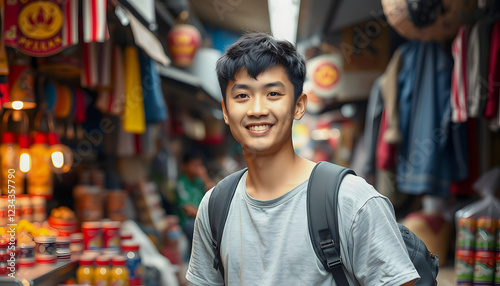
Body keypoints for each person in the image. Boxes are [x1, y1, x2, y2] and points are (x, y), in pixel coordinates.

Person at [186, 33, 420, 285]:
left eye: (273, 94)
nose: (257, 110)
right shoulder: (214, 206)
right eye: (242, 96)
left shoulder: (351, 201)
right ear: (225, 111)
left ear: (299, 105)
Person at [176, 151, 215, 259]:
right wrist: (207, 218)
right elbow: (188, 209)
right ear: (185, 165)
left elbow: (216, 196)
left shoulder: (200, 181)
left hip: (203, 218)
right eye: (194, 165)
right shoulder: (182, 182)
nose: (198, 168)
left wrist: (205, 177)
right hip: (188, 221)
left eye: (200, 165)